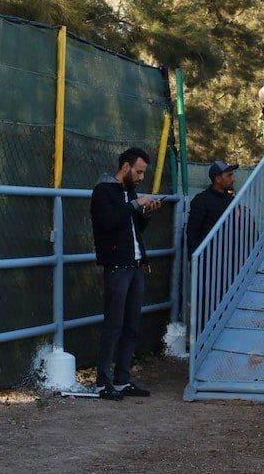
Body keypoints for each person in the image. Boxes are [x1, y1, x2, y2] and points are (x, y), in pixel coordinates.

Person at [90, 147, 161, 400]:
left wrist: (147, 211)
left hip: (135, 265)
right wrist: (134, 205)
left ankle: (121, 379)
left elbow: (135, 226)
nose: (141, 177)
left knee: (131, 325)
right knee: (114, 325)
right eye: (139, 171)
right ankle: (102, 381)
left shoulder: (129, 193)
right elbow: (108, 222)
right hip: (117, 267)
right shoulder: (103, 192)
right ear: (126, 167)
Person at [186, 160, 238, 258]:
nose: (232, 179)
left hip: (230, 258)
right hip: (208, 259)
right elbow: (193, 230)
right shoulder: (201, 200)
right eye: (229, 175)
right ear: (218, 179)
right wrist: (193, 258)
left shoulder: (232, 200)